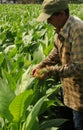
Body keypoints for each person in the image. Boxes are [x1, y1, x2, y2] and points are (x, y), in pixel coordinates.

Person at [31, 0, 83, 130]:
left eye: (50, 18)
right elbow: (56, 52)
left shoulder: (78, 30)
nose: (48, 22)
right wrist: (41, 66)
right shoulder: (61, 28)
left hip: (79, 97)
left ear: (61, 14)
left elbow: (79, 67)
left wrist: (50, 70)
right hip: (68, 92)